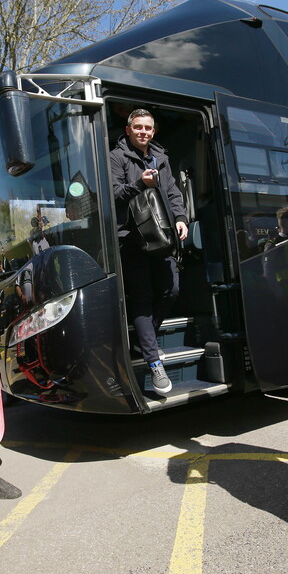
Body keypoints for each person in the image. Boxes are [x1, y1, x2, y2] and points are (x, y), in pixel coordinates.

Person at [109, 108, 188, 394]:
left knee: (172, 290)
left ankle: (146, 342)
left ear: (153, 131)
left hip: (162, 234)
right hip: (131, 238)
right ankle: (154, 363)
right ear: (128, 130)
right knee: (143, 297)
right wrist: (139, 183)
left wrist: (180, 218)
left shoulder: (161, 158)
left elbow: (173, 193)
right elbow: (114, 195)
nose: (143, 132)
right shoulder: (115, 157)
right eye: (138, 127)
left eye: (148, 128)